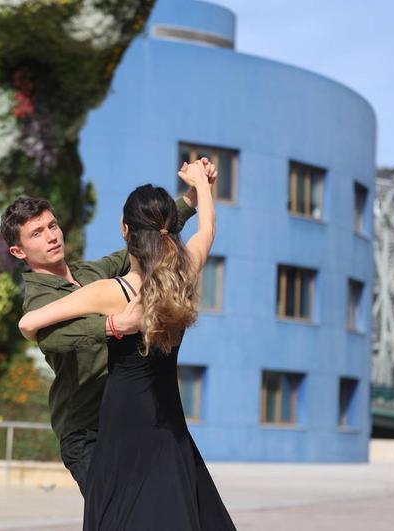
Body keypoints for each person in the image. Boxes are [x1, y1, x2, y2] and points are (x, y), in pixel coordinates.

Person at [18, 160, 236, 529]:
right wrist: (201, 187)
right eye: (38, 232)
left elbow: (28, 324)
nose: (52, 235)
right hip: (145, 421)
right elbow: (207, 231)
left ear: (124, 231)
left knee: (123, 517)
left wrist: (191, 196)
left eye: (52, 225)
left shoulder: (106, 288)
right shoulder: (182, 275)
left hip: (121, 423)